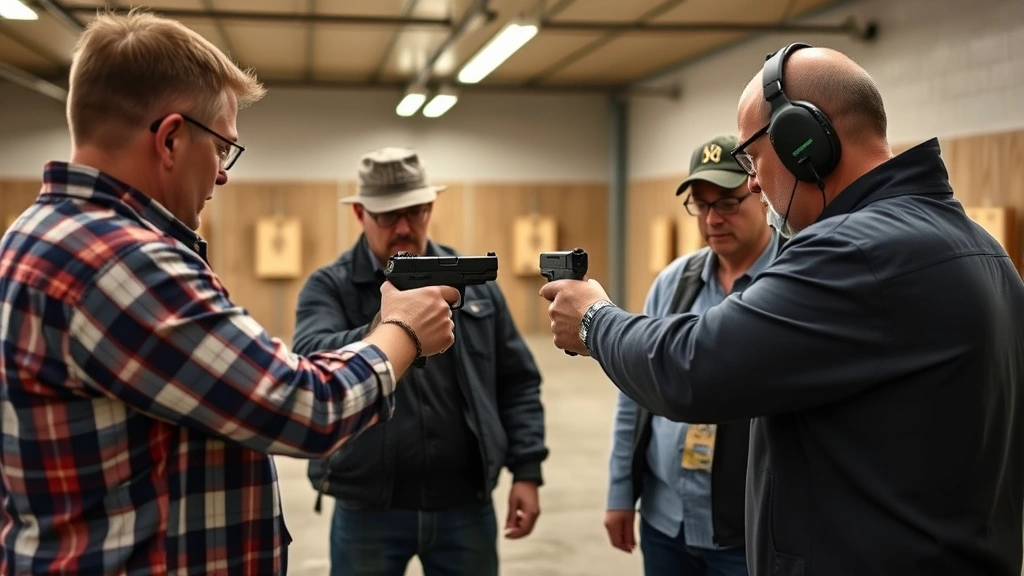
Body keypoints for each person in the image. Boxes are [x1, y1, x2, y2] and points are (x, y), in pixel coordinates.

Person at [0, 11, 459, 576]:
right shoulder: (124, 262)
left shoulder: (34, 233)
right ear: (170, 139)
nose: (223, 175)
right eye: (222, 148)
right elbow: (308, 407)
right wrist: (404, 329)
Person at [541, 42, 1024, 576]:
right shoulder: (979, 246)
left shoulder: (855, 250)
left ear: (803, 144)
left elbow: (691, 368)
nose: (751, 182)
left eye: (752, 159)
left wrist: (593, 318)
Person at [292, 146, 548, 576]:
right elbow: (311, 362)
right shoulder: (330, 286)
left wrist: (527, 469)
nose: (405, 227)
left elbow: (517, 381)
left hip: (465, 503)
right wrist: (393, 325)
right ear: (359, 213)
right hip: (369, 507)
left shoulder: (473, 284)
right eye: (388, 215)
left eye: (415, 211)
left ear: (431, 206)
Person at [605, 134, 778, 576]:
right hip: (667, 522)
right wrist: (621, 492)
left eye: (727, 202)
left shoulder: (791, 279)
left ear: (760, 194)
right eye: (701, 205)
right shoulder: (673, 282)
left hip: (750, 529)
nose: (712, 219)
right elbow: (635, 393)